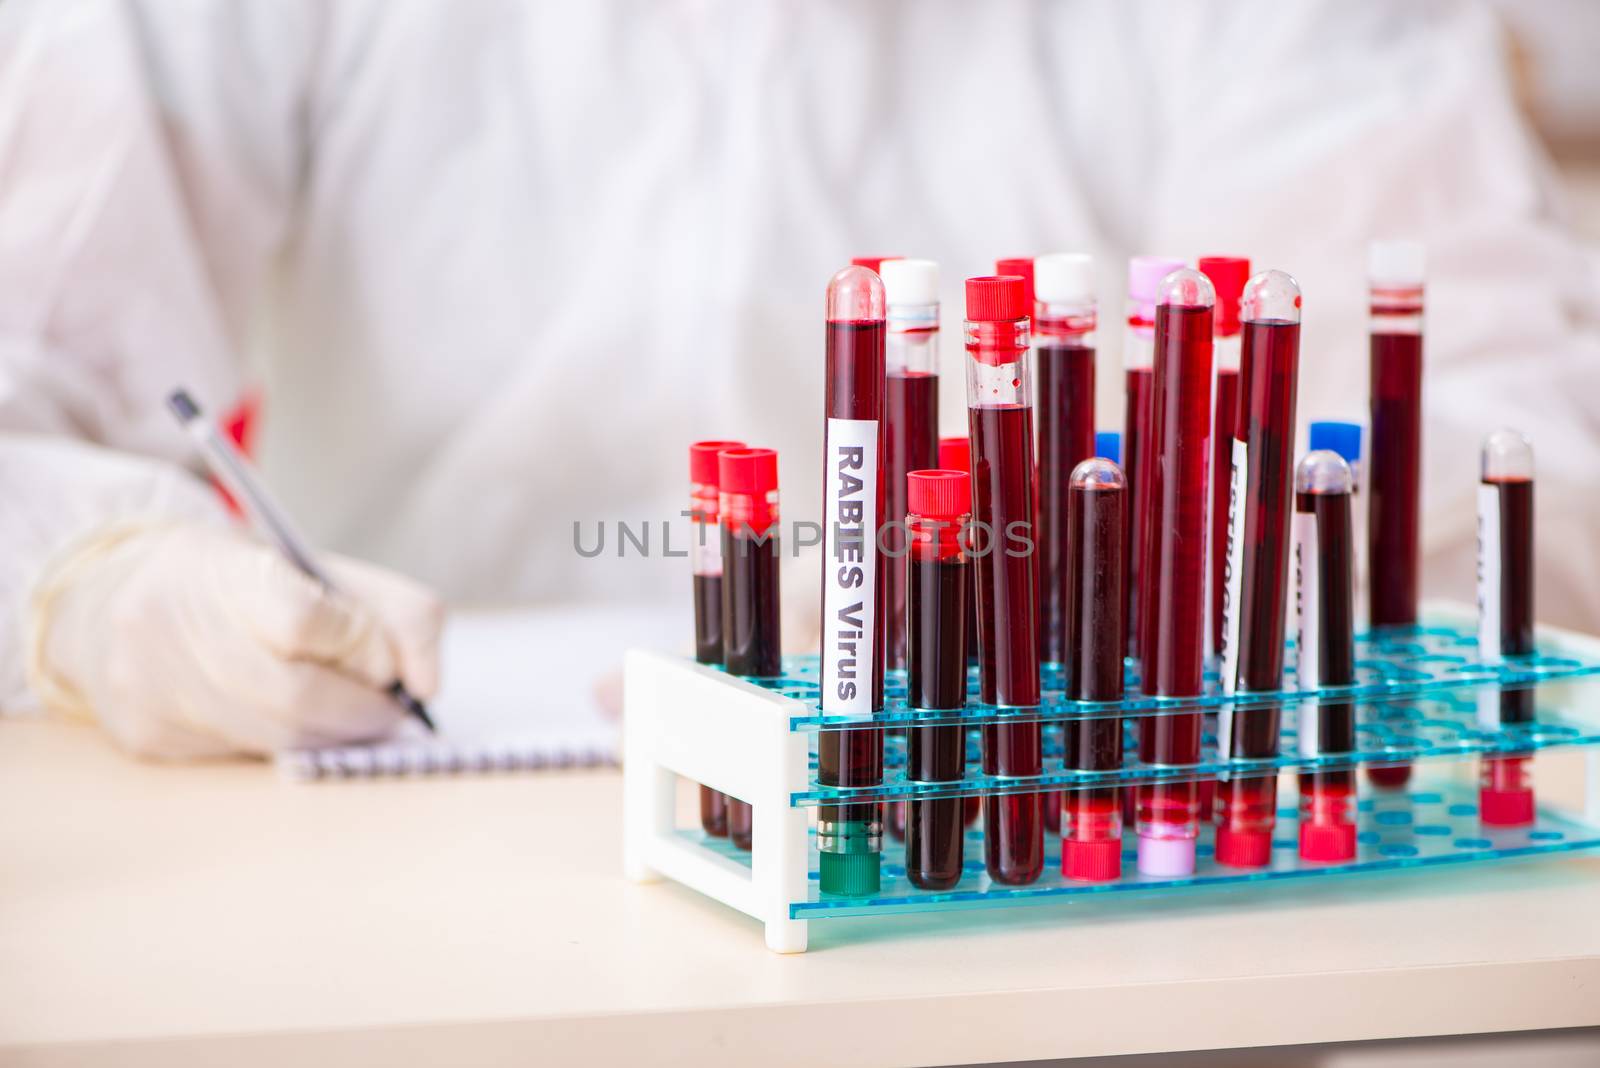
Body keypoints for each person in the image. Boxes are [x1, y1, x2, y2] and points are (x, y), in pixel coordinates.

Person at [2, 0, 1596, 758]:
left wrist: (1164, 569)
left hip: (1027, 846)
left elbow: (1540, 445)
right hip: (426, 815)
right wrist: (99, 581)